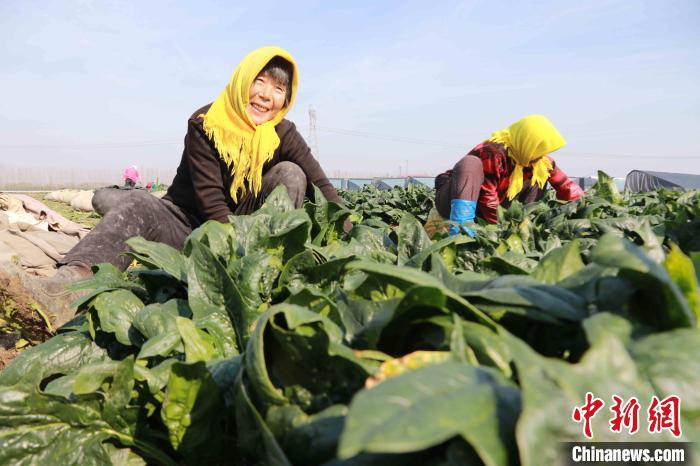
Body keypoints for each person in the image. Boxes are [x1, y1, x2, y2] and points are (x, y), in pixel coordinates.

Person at [0, 46, 345, 326]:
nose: (266, 95)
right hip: (187, 225)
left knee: (291, 175)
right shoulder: (205, 122)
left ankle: (268, 275)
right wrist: (229, 258)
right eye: (260, 81)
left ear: (286, 99)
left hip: (250, 237)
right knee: (137, 204)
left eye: (279, 89)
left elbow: (321, 183)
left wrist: (351, 230)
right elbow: (210, 200)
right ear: (243, 81)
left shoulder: (284, 132)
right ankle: (65, 289)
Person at [434, 114, 584, 236]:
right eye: (538, 149)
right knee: (470, 164)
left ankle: (521, 225)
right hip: (453, 201)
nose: (541, 155)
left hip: (493, 210)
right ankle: (462, 232)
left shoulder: (537, 160)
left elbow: (566, 186)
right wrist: (501, 228)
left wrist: (586, 210)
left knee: (541, 175)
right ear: (527, 142)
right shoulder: (492, 152)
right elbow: (487, 199)